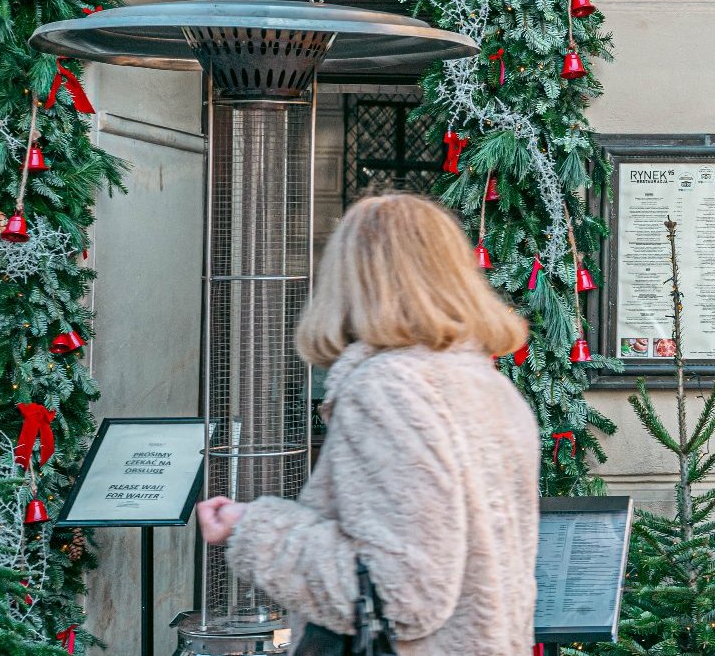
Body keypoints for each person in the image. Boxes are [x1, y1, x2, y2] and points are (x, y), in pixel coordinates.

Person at [194, 193, 540, 654]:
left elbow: (402, 593)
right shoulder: (486, 384)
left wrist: (255, 528)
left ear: (351, 279)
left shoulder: (388, 387)